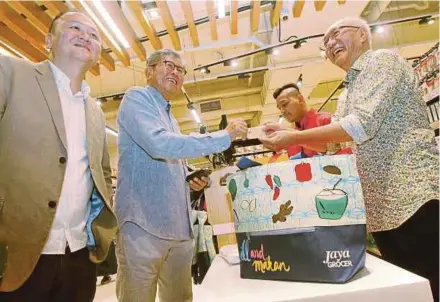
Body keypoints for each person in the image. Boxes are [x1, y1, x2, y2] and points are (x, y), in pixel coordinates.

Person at [260, 17, 439, 300]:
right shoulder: (347, 92)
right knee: (409, 288)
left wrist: (293, 138)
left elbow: (361, 125)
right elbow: (332, 142)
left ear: (363, 36)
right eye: (325, 43)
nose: (330, 44)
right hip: (381, 206)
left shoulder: (382, 62)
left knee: (432, 278)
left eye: (336, 34)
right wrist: (286, 131)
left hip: (413, 194)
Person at [0, 11, 117, 302]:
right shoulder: (11, 74)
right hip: (18, 254)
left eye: (93, 34)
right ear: (48, 40)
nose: (85, 36)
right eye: (74, 27)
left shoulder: (95, 111)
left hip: (78, 253)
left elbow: (100, 174)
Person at [115, 49, 248, 302]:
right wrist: (223, 136)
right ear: (149, 70)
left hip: (178, 228)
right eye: (169, 65)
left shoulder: (171, 118)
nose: (175, 72)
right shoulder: (137, 99)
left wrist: (190, 178)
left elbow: (170, 160)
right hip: (143, 226)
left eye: (180, 69)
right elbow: (159, 144)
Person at [265, 82, 350, 158]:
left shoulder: (327, 120)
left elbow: (344, 154)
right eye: (279, 108)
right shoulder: (289, 138)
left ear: (300, 99)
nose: (282, 111)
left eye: (285, 104)